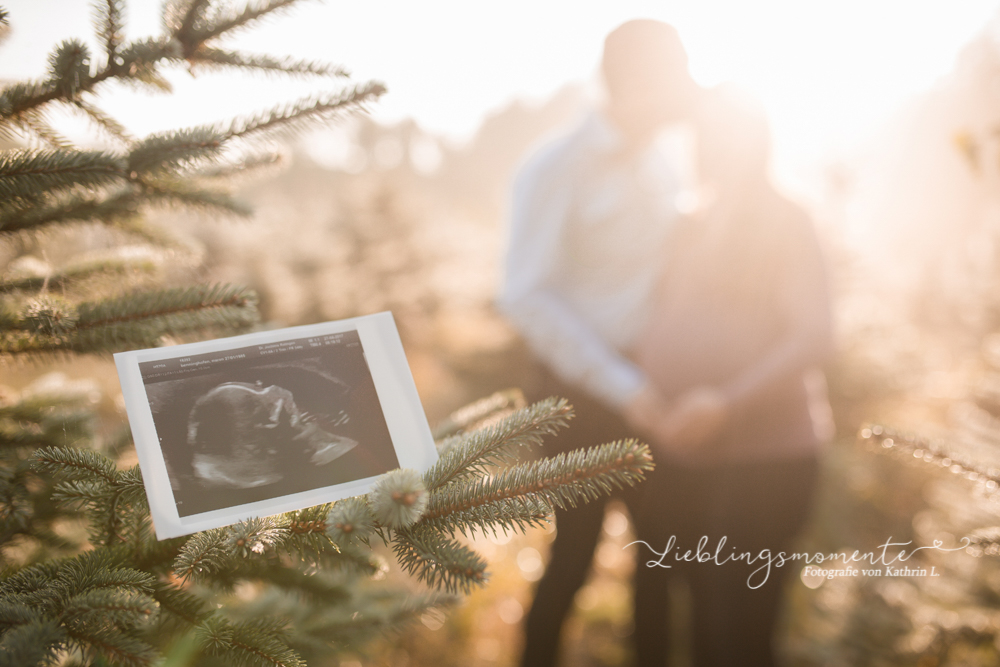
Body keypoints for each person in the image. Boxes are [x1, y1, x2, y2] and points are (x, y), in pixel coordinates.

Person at [497, 19, 699, 667]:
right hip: (578, 394)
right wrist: (624, 388)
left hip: (657, 385)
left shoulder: (667, 162)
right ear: (631, 82)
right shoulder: (557, 167)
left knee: (661, 553)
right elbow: (526, 294)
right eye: (672, 77)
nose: (682, 92)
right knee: (574, 553)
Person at [628, 85, 834, 666]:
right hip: (684, 457)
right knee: (695, 627)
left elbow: (815, 334)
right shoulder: (688, 221)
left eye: (730, 131)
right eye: (709, 131)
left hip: (767, 462)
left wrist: (726, 404)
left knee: (739, 638)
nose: (718, 144)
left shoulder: (786, 220)